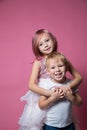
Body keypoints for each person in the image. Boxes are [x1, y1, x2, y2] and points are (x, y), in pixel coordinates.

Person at [18, 29, 82, 130]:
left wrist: (66, 88)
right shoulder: (38, 62)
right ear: (37, 48)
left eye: (47, 40)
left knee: (62, 116)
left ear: (53, 40)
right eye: (41, 44)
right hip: (44, 93)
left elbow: (79, 77)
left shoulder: (62, 59)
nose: (46, 45)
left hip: (61, 93)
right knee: (38, 125)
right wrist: (50, 93)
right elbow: (31, 85)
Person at [38, 52, 82, 130]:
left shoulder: (70, 83)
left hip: (68, 124)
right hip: (51, 125)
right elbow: (41, 105)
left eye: (61, 66)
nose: (57, 69)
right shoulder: (46, 85)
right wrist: (52, 98)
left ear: (66, 68)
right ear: (48, 71)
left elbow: (80, 103)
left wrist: (71, 97)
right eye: (53, 67)